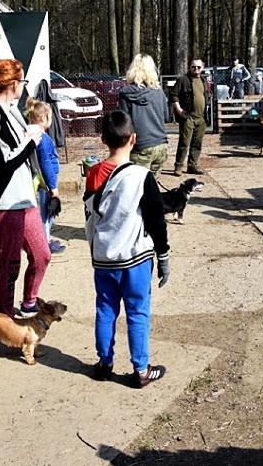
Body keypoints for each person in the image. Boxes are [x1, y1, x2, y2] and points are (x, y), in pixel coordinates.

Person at [83, 109, 170, 389]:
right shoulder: (142, 176)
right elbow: (157, 220)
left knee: (106, 310)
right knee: (138, 312)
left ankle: (105, 363)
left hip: (105, 258)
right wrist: (164, 254)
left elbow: (90, 214)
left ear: (103, 139)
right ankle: (141, 369)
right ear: (133, 139)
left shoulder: (93, 174)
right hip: (136, 259)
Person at [0, 59, 52, 318]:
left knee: (42, 255)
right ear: (12, 84)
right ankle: (5, 319)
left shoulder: (11, 110)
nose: (24, 86)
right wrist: (31, 141)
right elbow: (3, 164)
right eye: (22, 81)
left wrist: (30, 135)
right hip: (4, 203)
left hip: (24, 198)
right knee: (10, 264)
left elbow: (18, 146)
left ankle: (29, 302)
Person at [118, 53, 169, 180]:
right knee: (152, 189)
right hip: (160, 145)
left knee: (137, 190)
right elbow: (166, 117)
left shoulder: (125, 93)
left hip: (140, 147)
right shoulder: (159, 91)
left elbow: (123, 123)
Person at [25, 97, 66, 254]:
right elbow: (46, 163)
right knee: (47, 211)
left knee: (44, 210)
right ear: (43, 118)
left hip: (38, 179)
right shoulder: (44, 139)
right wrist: (53, 187)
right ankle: (45, 241)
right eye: (50, 117)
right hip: (46, 182)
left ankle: (45, 238)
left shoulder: (29, 135)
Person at [169, 58, 208, 176]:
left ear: (202, 68)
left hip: (201, 118)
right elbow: (173, 95)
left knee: (197, 143)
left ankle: (192, 165)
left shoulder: (203, 80)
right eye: (193, 67)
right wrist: (179, 110)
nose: (196, 69)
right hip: (188, 117)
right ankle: (178, 166)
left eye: (198, 67)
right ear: (190, 67)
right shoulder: (183, 80)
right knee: (184, 143)